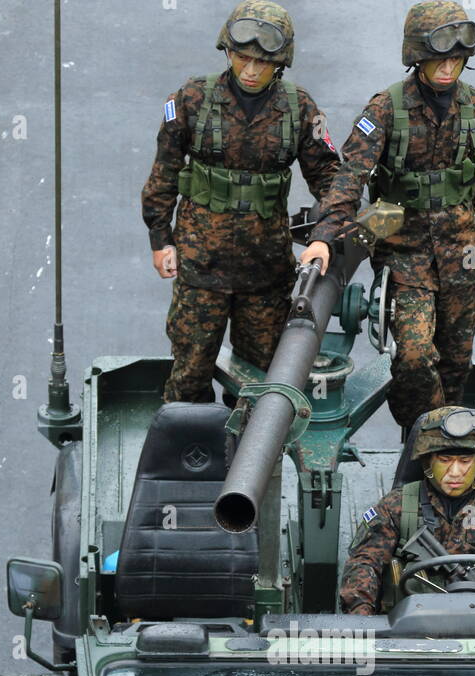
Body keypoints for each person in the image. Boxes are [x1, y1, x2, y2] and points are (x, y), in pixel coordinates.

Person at [300, 2, 475, 434]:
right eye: (437, 59)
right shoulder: (387, 109)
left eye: (455, 59)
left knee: (456, 358)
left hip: (462, 251)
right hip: (400, 242)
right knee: (413, 355)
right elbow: (350, 175)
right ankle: (421, 435)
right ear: (417, 57)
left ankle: (450, 443)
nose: (448, 68)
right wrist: (324, 235)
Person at [142, 2, 340, 404]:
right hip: (200, 268)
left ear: (280, 63)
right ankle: (192, 460)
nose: (250, 71)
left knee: (260, 385)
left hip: (265, 273)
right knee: (188, 376)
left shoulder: (299, 109)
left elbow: (332, 181)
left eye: (262, 63)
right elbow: (163, 173)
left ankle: (247, 462)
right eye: (242, 58)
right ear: (227, 52)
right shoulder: (191, 99)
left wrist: (325, 237)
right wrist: (160, 238)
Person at [339, 407, 475, 615]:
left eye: (465, 461)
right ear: (428, 462)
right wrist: (362, 622)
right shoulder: (396, 506)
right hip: (410, 630)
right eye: (444, 460)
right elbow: (364, 564)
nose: (455, 472)